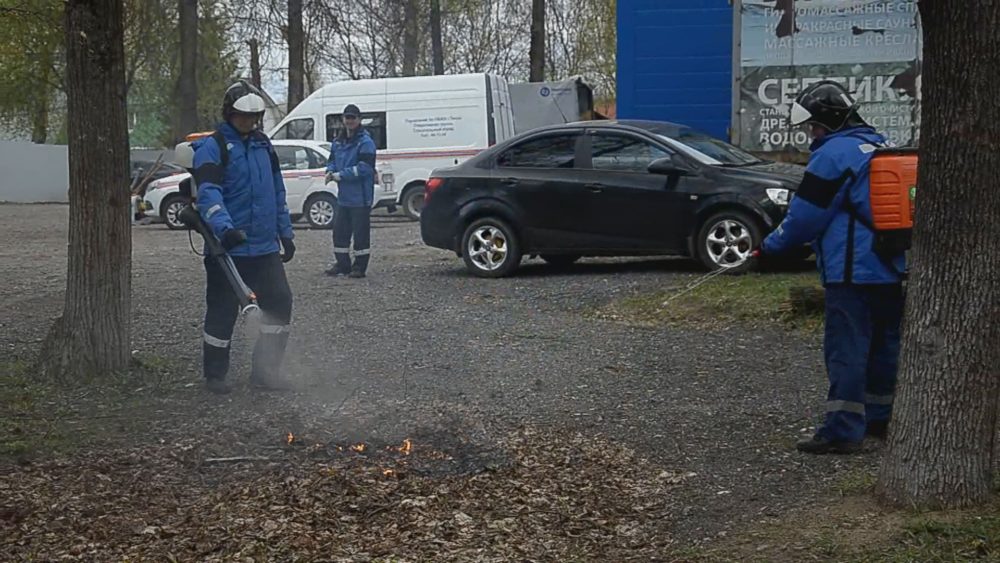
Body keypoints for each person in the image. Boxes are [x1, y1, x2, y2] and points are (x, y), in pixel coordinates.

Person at [756, 80, 905, 454]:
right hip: (890, 266)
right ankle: (880, 418)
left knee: (847, 350)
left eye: (814, 126)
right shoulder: (880, 145)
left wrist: (770, 248)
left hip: (851, 271)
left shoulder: (833, 155)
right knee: (885, 347)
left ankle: (842, 429)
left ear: (828, 121)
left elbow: (804, 218)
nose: (812, 133)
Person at [191, 79, 296, 394]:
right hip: (228, 249)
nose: (248, 122)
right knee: (222, 312)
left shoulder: (264, 146)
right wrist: (224, 228)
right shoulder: (213, 147)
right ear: (229, 113)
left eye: (253, 117)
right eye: (242, 116)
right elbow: (208, 193)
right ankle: (215, 375)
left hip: (264, 248)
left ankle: (265, 371)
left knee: (279, 304)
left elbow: (276, 191)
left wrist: (285, 233)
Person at [325, 104, 377, 278]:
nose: (350, 121)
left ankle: (359, 267)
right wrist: (330, 171)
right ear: (343, 119)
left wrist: (340, 175)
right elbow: (332, 160)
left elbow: (365, 169)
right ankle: (342, 264)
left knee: (361, 236)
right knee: (340, 234)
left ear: (359, 119)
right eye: (347, 117)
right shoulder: (338, 142)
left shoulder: (366, 143)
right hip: (344, 198)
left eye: (353, 117)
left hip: (360, 198)